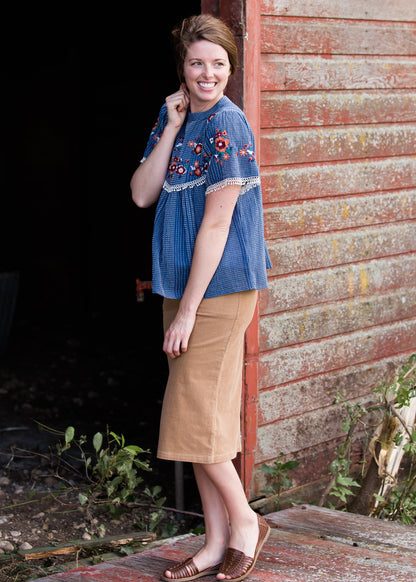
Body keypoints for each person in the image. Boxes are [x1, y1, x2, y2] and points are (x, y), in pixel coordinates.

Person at [130, 14, 271, 582]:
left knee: (191, 415)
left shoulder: (230, 126)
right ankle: (214, 543)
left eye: (218, 63)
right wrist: (167, 126)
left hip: (220, 290)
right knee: (205, 419)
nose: (207, 73)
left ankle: (245, 522)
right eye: (196, 62)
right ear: (182, 69)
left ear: (231, 68)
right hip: (180, 286)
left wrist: (187, 312)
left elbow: (216, 228)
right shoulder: (181, 120)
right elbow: (142, 193)